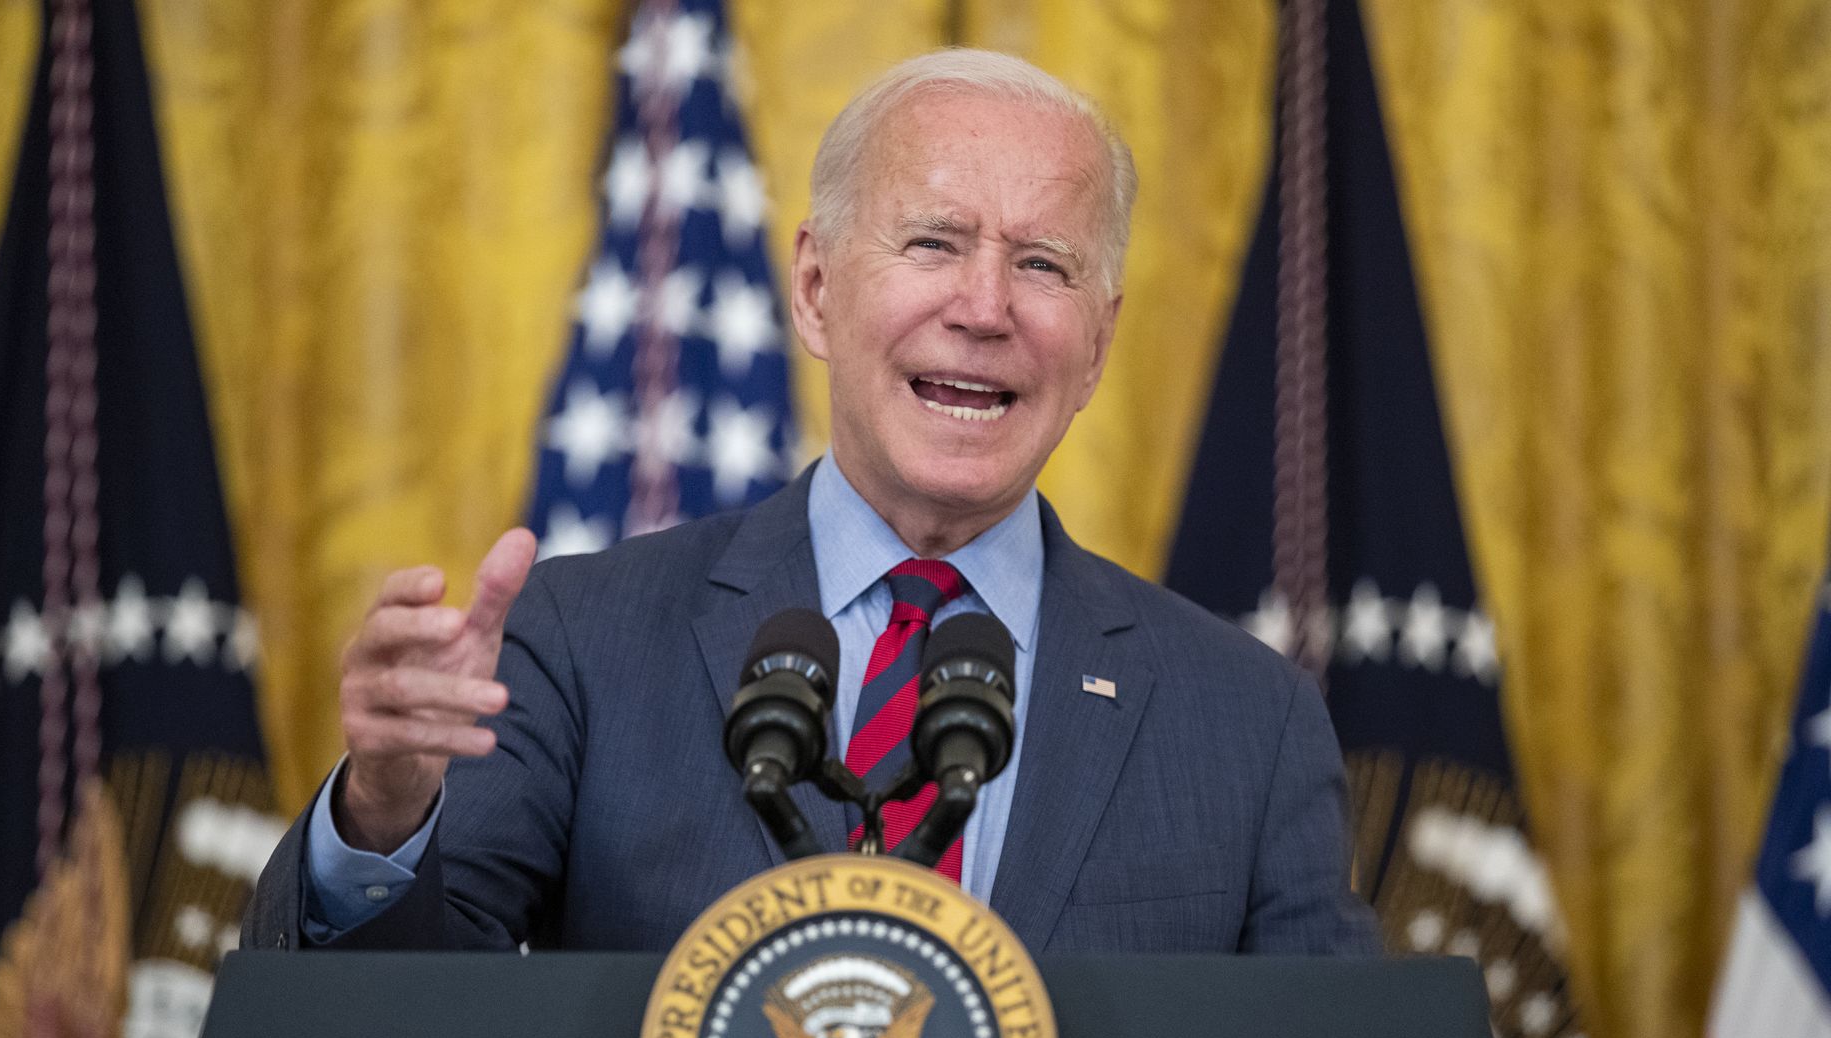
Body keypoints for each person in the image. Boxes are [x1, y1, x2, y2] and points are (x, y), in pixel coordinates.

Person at [243, 49, 1378, 956]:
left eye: (1043, 264)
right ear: (817, 290)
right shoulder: (580, 641)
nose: (984, 306)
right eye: (933, 242)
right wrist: (384, 814)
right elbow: (396, 1021)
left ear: (1098, 345)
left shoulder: (1248, 721)